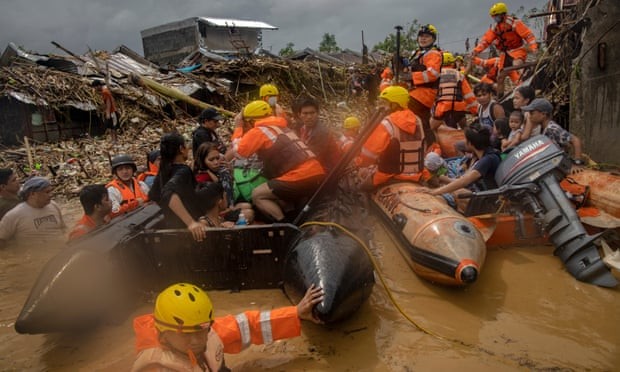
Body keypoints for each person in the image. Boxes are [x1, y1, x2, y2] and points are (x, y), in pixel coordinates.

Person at [131, 282, 324, 371]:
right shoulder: (157, 368)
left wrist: (295, 313)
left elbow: (249, 325)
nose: (197, 340)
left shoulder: (206, 332)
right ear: (163, 335)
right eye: (187, 335)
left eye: (202, 330)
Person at [225, 100, 326, 223]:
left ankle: (284, 226)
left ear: (251, 121)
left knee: (258, 194)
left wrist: (238, 128)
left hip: (300, 175)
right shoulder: (281, 127)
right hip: (315, 171)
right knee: (275, 193)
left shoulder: (259, 130)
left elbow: (239, 152)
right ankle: (293, 217)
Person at [419, 124, 501, 211]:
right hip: (479, 192)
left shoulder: (487, 160)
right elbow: (464, 180)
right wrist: (442, 178)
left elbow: (463, 182)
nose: (464, 141)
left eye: (465, 139)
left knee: (458, 192)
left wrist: (435, 192)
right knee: (450, 188)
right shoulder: (479, 156)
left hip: (488, 200)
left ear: (470, 143)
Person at [356, 86, 424, 188]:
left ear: (394, 104)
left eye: (385, 103)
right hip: (417, 173)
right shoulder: (418, 121)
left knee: (360, 188)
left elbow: (369, 155)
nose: (383, 106)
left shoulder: (387, 123)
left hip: (389, 175)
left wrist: (359, 163)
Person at [149, 132, 206, 241]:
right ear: (181, 148)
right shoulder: (183, 171)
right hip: (188, 232)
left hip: (170, 230)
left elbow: (153, 195)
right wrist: (191, 223)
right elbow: (168, 194)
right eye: (186, 146)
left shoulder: (163, 171)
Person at [471, 2, 538, 85]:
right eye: (494, 16)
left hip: (517, 49)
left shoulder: (514, 23)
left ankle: (527, 76)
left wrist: (534, 47)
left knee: (517, 63)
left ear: (503, 14)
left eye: (496, 16)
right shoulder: (495, 28)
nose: (495, 18)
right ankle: (500, 96)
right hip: (504, 54)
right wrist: (476, 50)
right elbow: (485, 40)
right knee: (500, 76)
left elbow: (528, 35)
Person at [193, 142, 253, 224]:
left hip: (226, 206)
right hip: (215, 214)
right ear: (202, 161)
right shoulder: (202, 178)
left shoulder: (220, 171)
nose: (216, 162)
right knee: (248, 213)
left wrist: (231, 174)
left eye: (217, 158)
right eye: (211, 160)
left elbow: (229, 191)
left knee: (247, 205)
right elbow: (208, 208)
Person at [0, 177, 66, 247]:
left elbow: (63, 229)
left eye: (51, 191)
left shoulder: (53, 205)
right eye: (47, 192)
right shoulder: (14, 215)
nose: (51, 194)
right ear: (33, 194)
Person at [520, 98, 584, 167]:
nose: (529, 116)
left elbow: (575, 140)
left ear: (543, 114)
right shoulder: (544, 129)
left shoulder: (552, 128)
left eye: (532, 113)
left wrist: (577, 163)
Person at [408, 24, 443, 146]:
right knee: (423, 124)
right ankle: (430, 148)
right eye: (421, 36)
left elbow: (433, 74)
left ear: (433, 39)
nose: (423, 38)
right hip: (416, 92)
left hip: (424, 94)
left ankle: (428, 149)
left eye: (427, 36)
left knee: (411, 118)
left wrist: (411, 77)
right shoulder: (418, 53)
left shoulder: (433, 54)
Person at [429, 52, 479, 132]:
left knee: (431, 129)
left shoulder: (435, 76)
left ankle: (435, 143)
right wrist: (475, 111)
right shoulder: (459, 75)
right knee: (465, 127)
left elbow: (430, 93)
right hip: (458, 106)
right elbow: (468, 95)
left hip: (442, 107)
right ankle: (470, 140)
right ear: (453, 63)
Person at [295, 96, 342, 172]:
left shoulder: (321, 132)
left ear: (318, 113)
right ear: (299, 115)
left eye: (312, 113)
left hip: (328, 171)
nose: (309, 117)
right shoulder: (303, 127)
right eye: (305, 113)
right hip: (317, 166)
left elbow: (312, 158)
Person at [107, 154, 150, 219]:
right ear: (116, 172)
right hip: (125, 222)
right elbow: (114, 213)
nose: (125, 172)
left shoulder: (141, 184)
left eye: (128, 168)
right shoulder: (112, 190)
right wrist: (134, 204)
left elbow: (151, 201)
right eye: (120, 169)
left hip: (146, 216)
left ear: (133, 170)